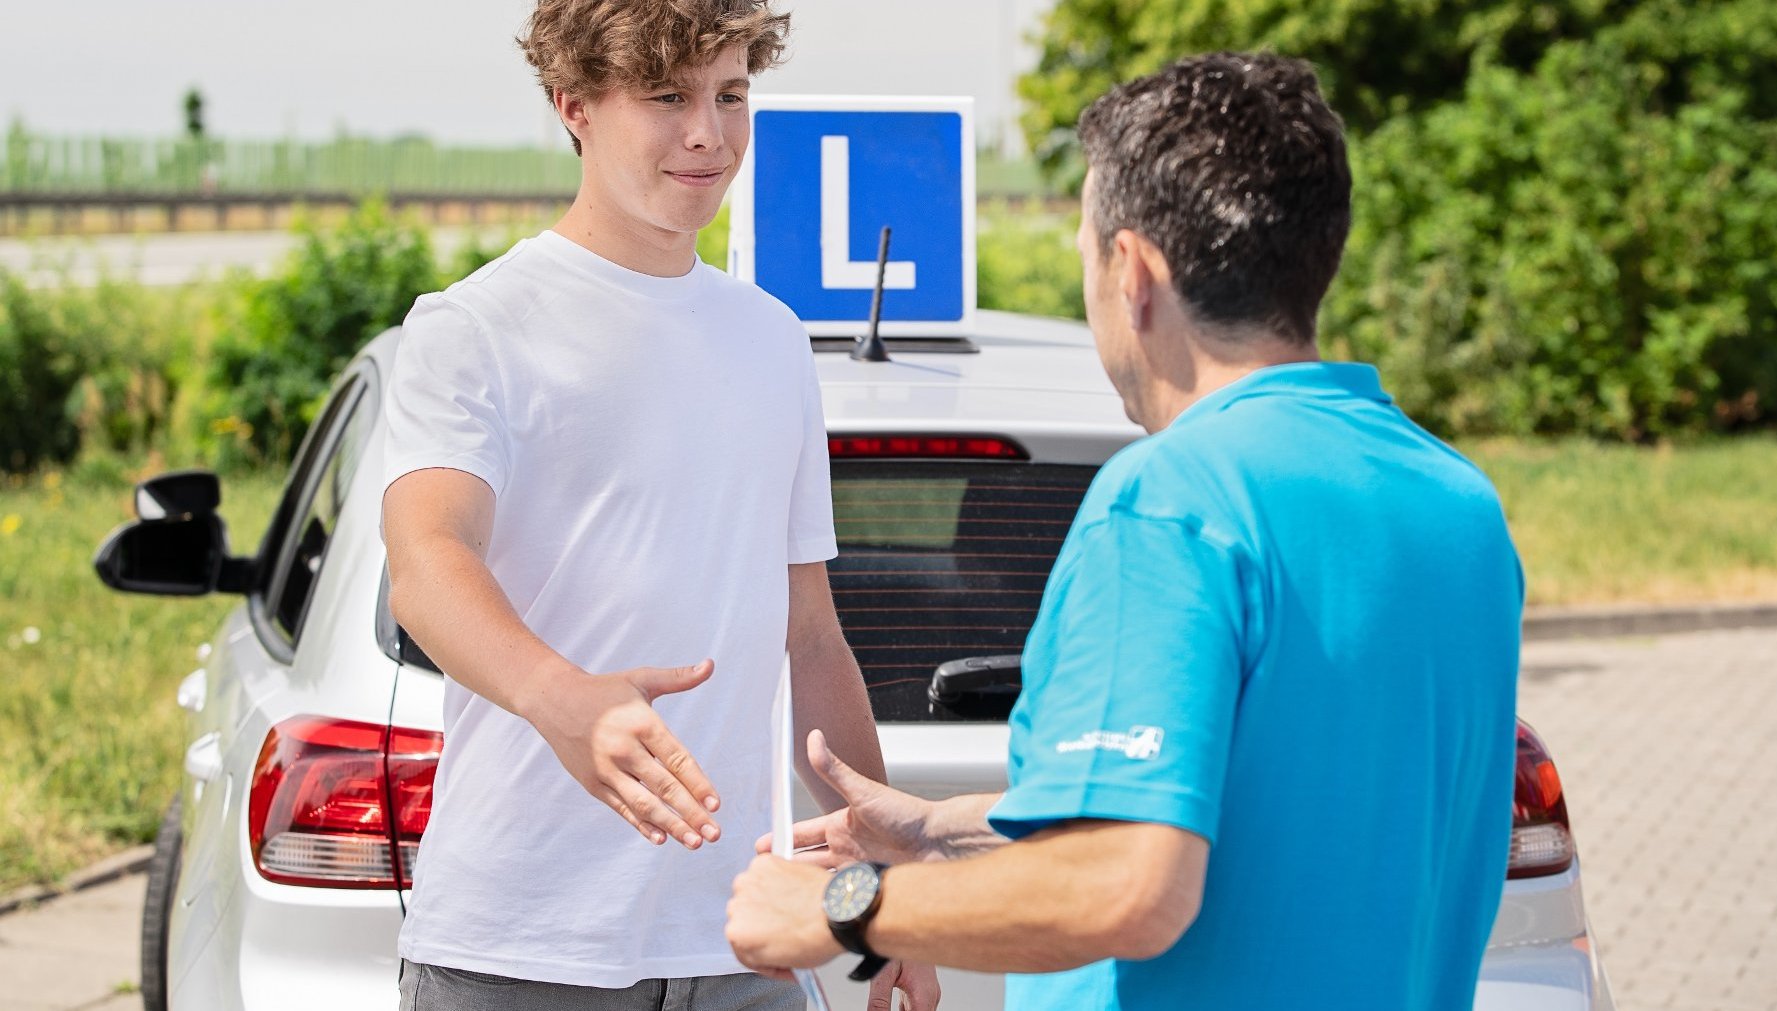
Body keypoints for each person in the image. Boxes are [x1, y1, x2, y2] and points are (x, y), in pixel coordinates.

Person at [725, 52, 1522, 1010]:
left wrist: (847, 908)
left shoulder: (1172, 500)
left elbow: (1131, 884)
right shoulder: (1457, 503)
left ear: (1134, 272)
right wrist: (941, 830)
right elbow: (1265, 819)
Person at [380, 2, 938, 1008]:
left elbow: (809, 638)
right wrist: (564, 699)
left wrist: (883, 879)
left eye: (731, 95)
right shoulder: (472, 328)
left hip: (745, 945)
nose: (707, 134)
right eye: (668, 97)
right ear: (574, 106)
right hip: (520, 944)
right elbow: (426, 561)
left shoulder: (770, 339)